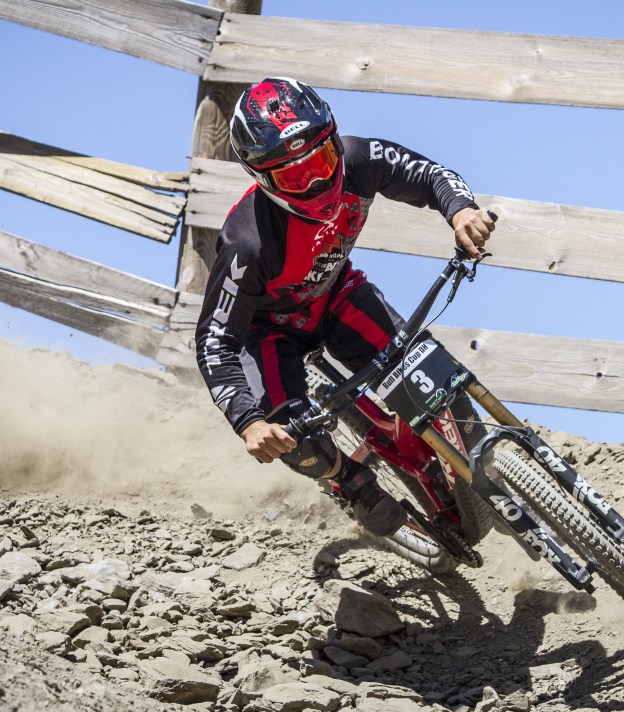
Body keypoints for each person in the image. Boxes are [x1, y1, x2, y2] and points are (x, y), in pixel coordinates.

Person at [195, 77, 496, 537]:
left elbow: (429, 175)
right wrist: (247, 421)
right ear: (262, 178)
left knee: (443, 385)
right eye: (295, 175)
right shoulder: (247, 241)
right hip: (271, 333)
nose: (315, 181)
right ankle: (351, 485)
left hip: (336, 295)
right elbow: (216, 340)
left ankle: (463, 467)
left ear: (336, 140)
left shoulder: (360, 159)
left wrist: (460, 210)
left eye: (321, 159)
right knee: (291, 438)